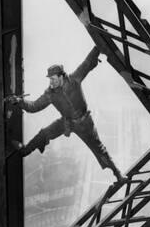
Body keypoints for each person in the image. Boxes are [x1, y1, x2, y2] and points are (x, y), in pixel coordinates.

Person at [9, 46, 124, 182]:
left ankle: (118, 174)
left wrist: (98, 44)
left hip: (85, 123)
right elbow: (34, 106)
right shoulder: (50, 94)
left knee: (99, 149)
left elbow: (87, 63)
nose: (50, 82)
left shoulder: (74, 80)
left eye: (53, 79)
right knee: (44, 133)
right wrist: (19, 101)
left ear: (61, 76)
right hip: (67, 123)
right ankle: (24, 151)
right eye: (49, 79)